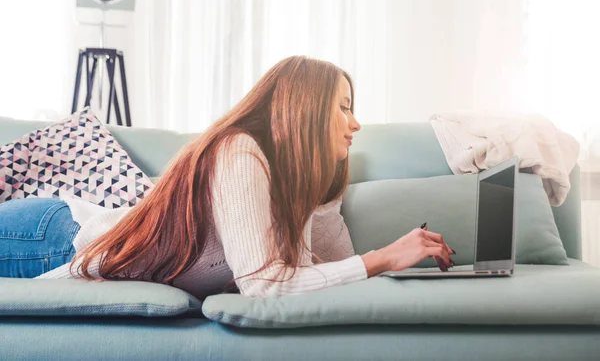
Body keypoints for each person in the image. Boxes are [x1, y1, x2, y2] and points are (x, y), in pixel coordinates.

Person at [0, 56, 455, 299]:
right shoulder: (241, 151)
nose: (355, 124)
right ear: (305, 108)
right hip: (54, 238)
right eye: (343, 107)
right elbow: (267, 285)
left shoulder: (297, 182)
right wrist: (384, 257)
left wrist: (328, 197)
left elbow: (325, 274)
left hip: (59, 231)